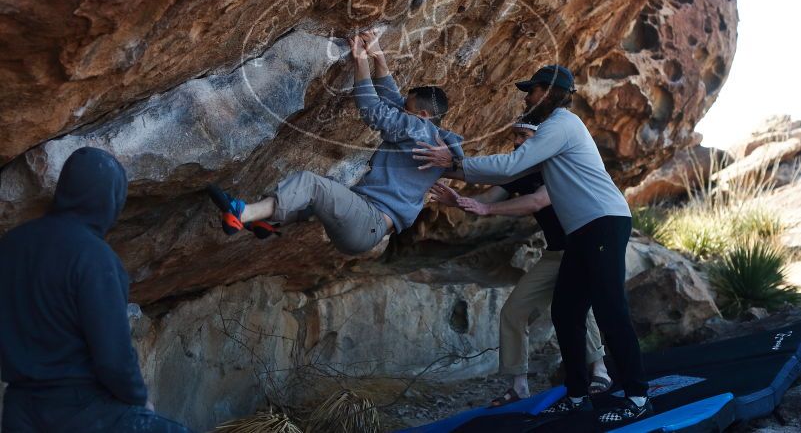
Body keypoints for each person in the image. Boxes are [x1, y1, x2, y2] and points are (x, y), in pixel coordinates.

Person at [414, 65, 651, 426]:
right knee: (566, 313)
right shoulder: (552, 130)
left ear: (552, 91)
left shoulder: (562, 123)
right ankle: (576, 394)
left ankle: (636, 395)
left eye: (533, 90)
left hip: (604, 223)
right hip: (581, 234)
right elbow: (509, 174)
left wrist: (455, 163)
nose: (527, 97)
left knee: (609, 308)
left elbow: (514, 163)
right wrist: (449, 171)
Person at [207, 29, 464, 255]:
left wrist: (360, 61)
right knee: (319, 195)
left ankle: (242, 214)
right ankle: (266, 221)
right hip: (367, 228)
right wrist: (379, 59)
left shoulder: (420, 130)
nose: (401, 110)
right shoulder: (429, 136)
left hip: (367, 219)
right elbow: (393, 102)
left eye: (407, 109)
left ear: (423, 116)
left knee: (311, 184)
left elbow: (373, 109)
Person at [0, 147, 191, 433]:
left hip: (19, 411)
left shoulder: (9, 247)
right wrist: (139, 400)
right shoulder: (94, 257)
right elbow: (113, 359)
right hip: (83, 412)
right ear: (110, 201)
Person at [429, 118, 611, 407]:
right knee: (514, 311)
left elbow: (536, 202)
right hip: (554, 254)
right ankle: (519, 386)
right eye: (515, 136)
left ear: (543, 139)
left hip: (581, 249)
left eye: (523, 136)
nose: (516, 142)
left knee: (578, 308)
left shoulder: (561, 166)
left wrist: (487, 209)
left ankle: (599, 370)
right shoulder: (521, 173)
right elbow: (488, 196)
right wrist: (458, 200)